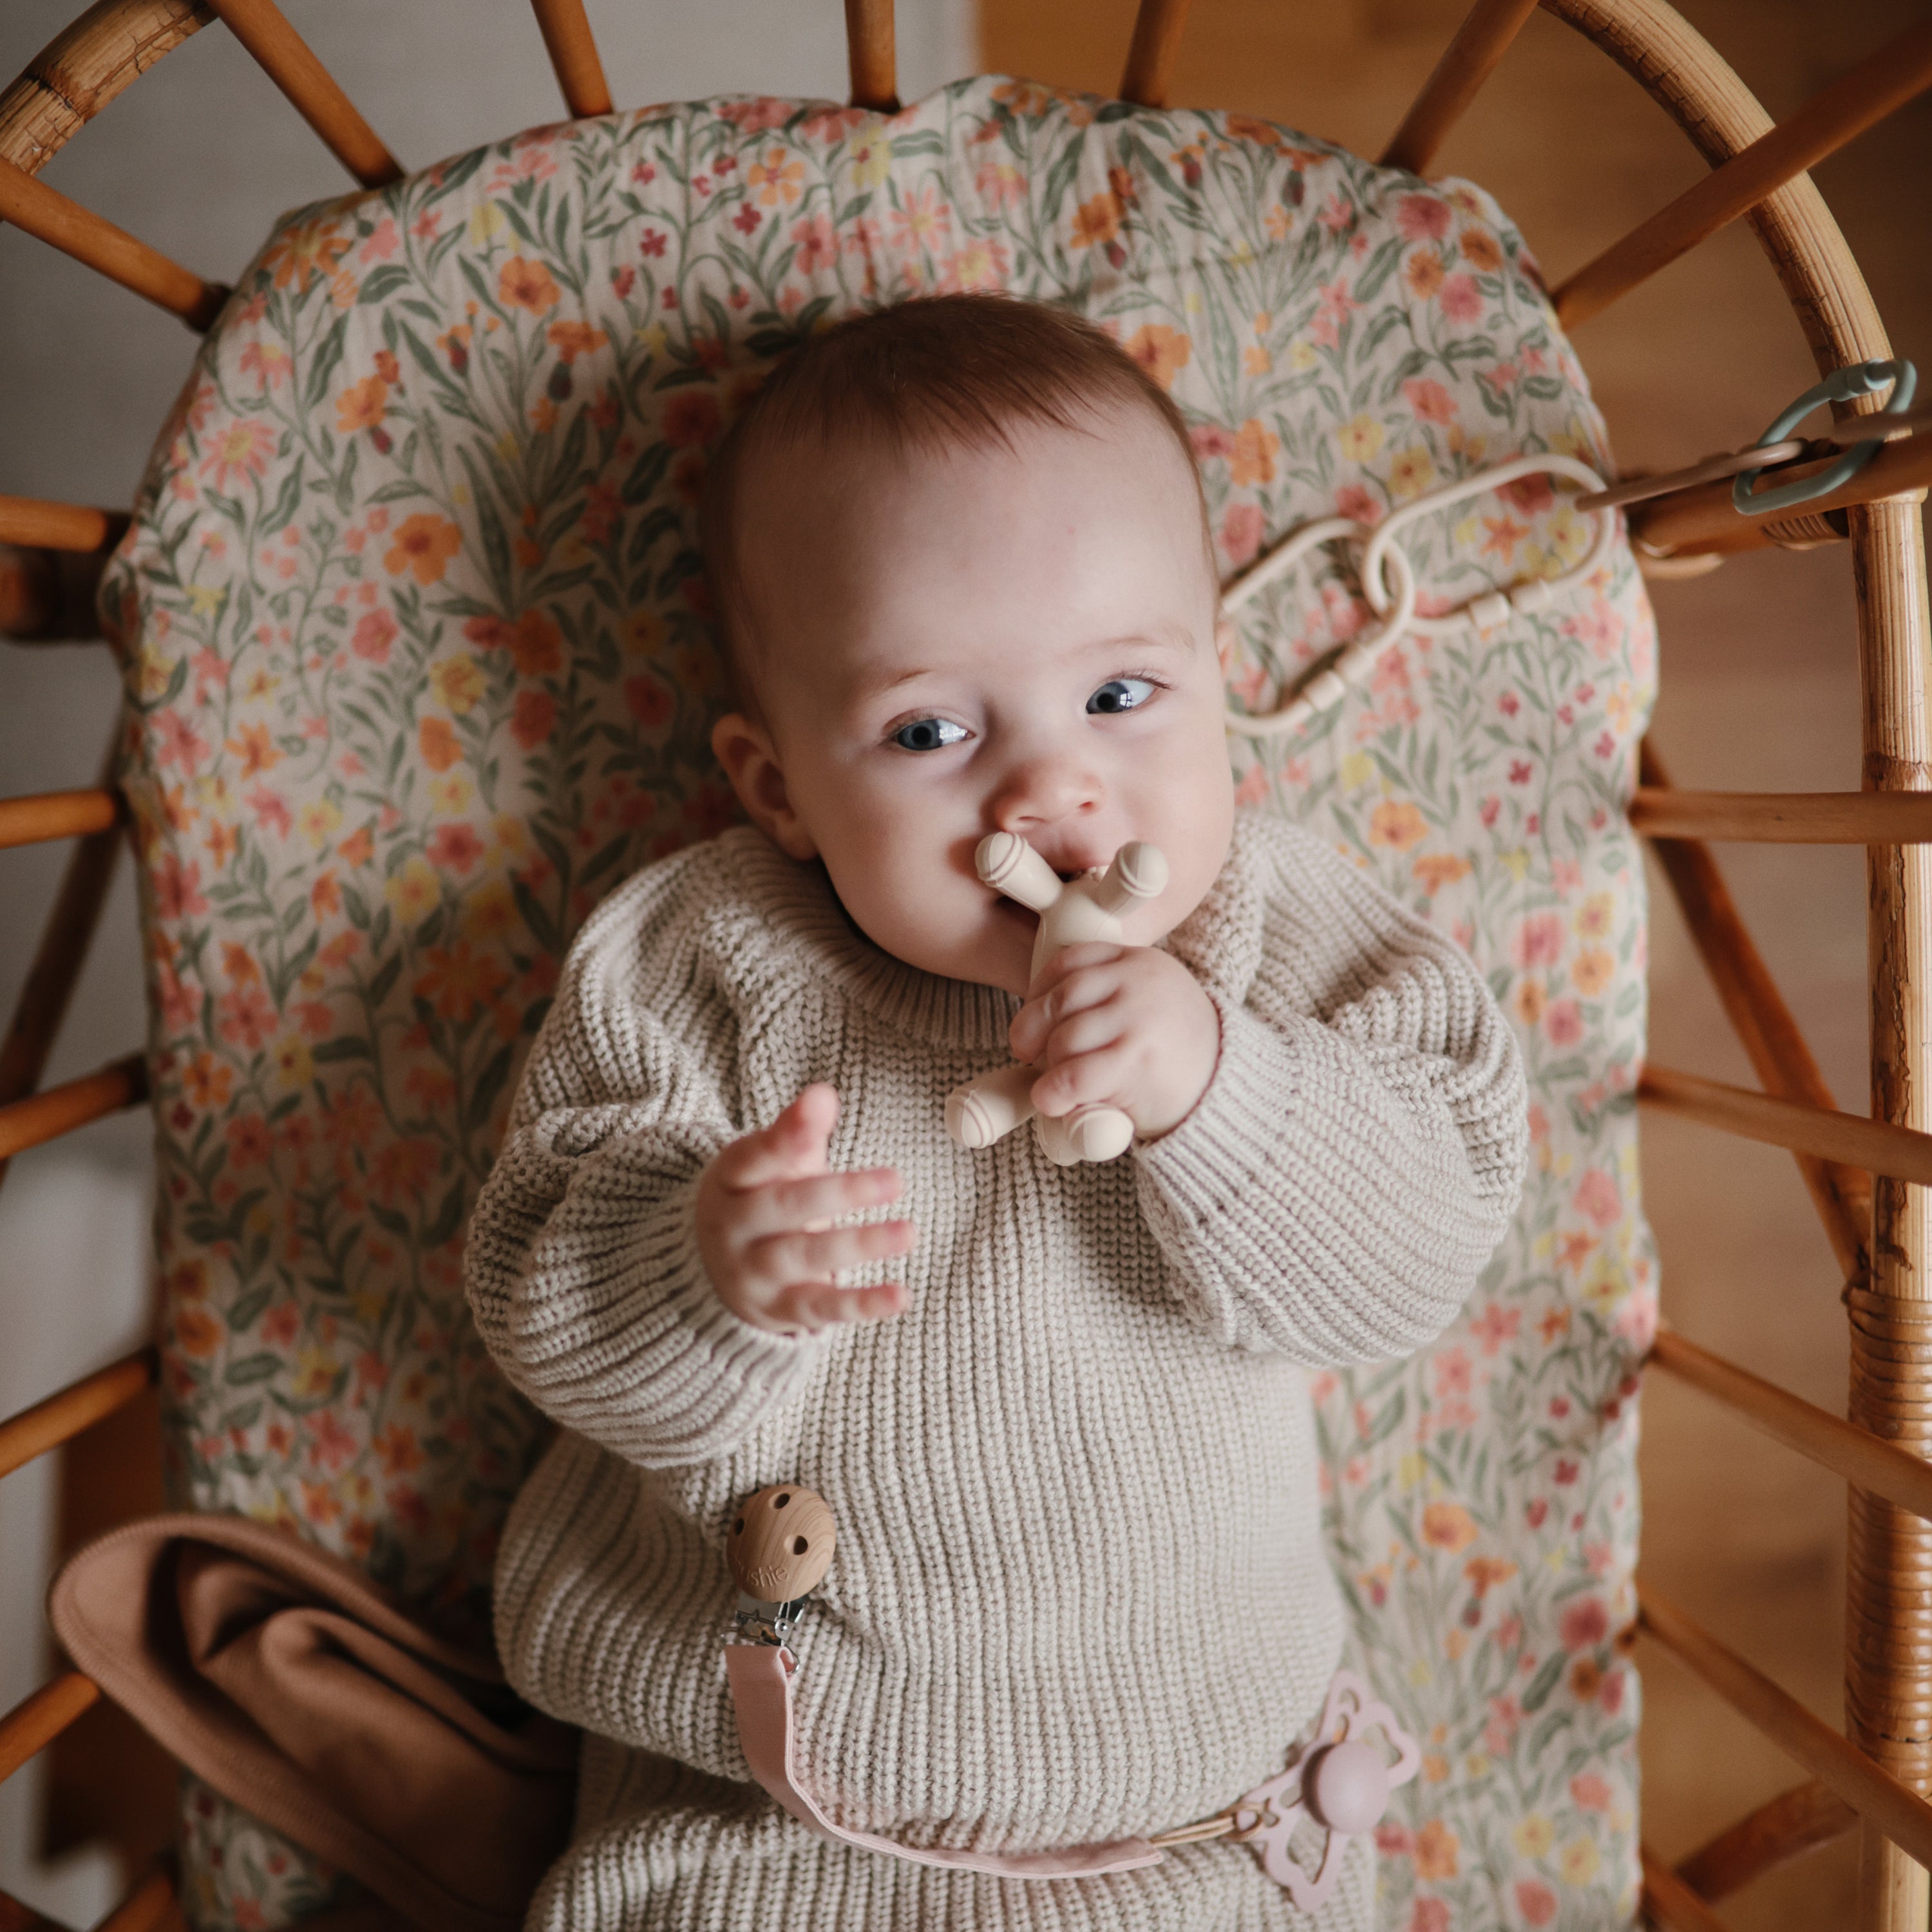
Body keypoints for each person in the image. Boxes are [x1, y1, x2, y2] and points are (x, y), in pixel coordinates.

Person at [463, 292, 1528, 1931]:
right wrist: (702, 1263)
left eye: (1121, 697)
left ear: (1219, 681)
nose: (1047, 790)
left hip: (1202, 1825)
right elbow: (535, 1281)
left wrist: (1219, 1091)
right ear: (779, 790)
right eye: (931, 731)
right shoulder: (709, 958)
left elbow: (1426, 1240)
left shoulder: (1274, 933)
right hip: (770, 1820)